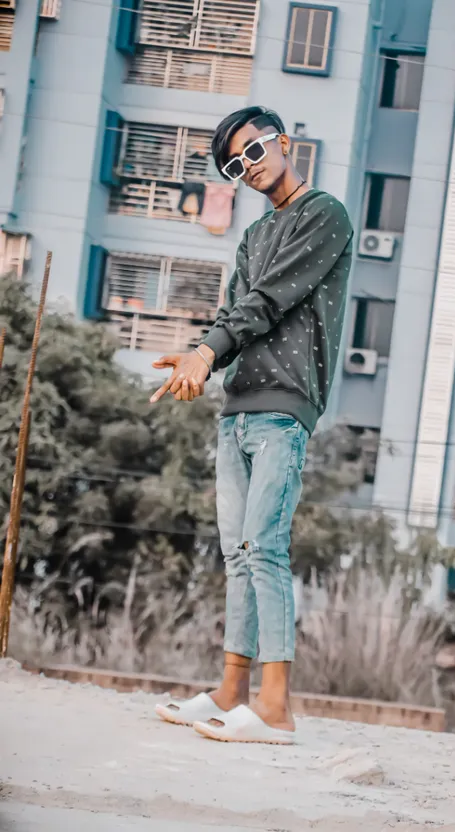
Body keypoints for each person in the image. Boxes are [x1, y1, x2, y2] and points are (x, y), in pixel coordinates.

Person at [151, 106, 353, 744]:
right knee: (237, 556)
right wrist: (198, 361)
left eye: (255, 151)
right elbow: (235, 311)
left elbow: (268, 302)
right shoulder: (251, 238)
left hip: (286, 406)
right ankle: (231, 692)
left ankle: (275, 709)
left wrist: (208, 349)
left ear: (283, 142)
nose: (249, 167)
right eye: (236, 166)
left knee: (264, 548)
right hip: (237, 408)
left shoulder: (325, 215)